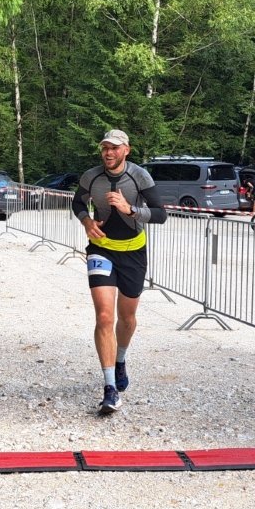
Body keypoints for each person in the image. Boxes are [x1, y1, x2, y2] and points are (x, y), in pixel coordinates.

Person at [72, 129, 167, 415]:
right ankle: (110, 388)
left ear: (127, 150)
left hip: (133, 252)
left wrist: (130, 209)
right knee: (104, 316)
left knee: (127, 318)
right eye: (105, 148)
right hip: (101, 250)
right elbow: (77, 202)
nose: (108, 153)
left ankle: (120, 359)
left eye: (114, 148)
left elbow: (160, 214)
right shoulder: (91, 176)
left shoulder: (139, 176)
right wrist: (87, 221)